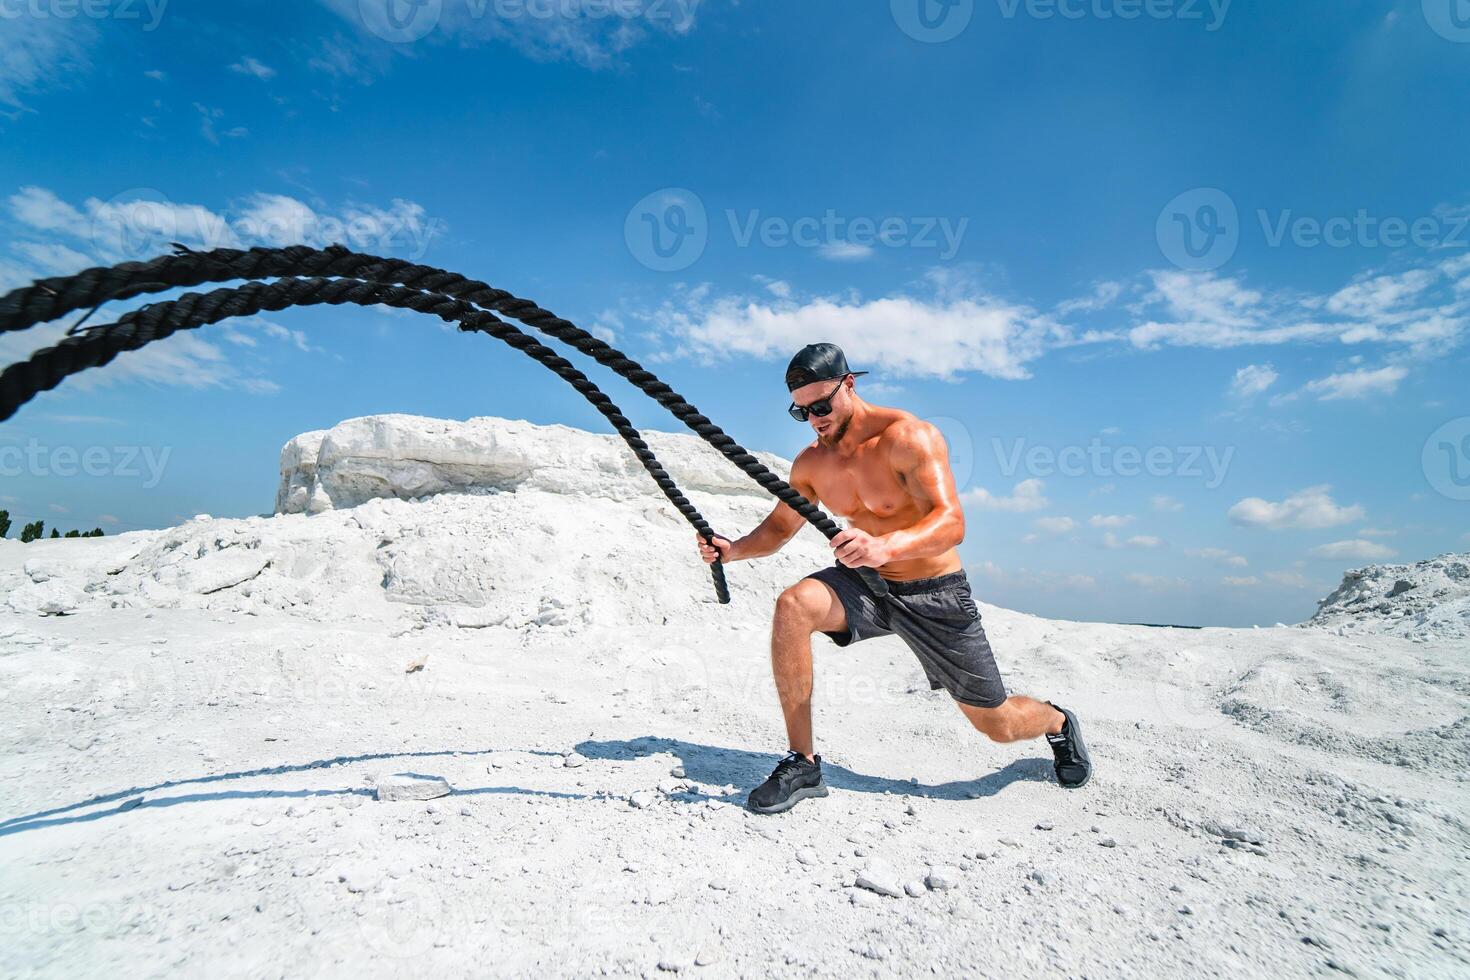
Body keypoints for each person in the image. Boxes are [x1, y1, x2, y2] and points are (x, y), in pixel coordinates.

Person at [696, 343, 1092, 813]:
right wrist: (732, 550)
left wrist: (886, 545)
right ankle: (802, 762)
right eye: (802, 413)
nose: (815, 419)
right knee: (793, 605)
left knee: (997, 724)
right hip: (866, 585)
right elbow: (781, 528)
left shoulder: (909, 438)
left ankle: (1057, 723)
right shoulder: (811, 463)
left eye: (822, 406)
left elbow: (952, 523)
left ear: (850, 385)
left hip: (934, 594)